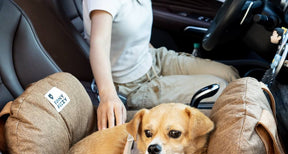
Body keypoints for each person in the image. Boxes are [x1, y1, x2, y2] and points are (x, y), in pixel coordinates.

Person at [83, 0, 239, 130]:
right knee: (222, 89)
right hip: (132, 85)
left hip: (154, 58)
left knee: (230, 74)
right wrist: (108, 96)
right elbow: (98, 44)